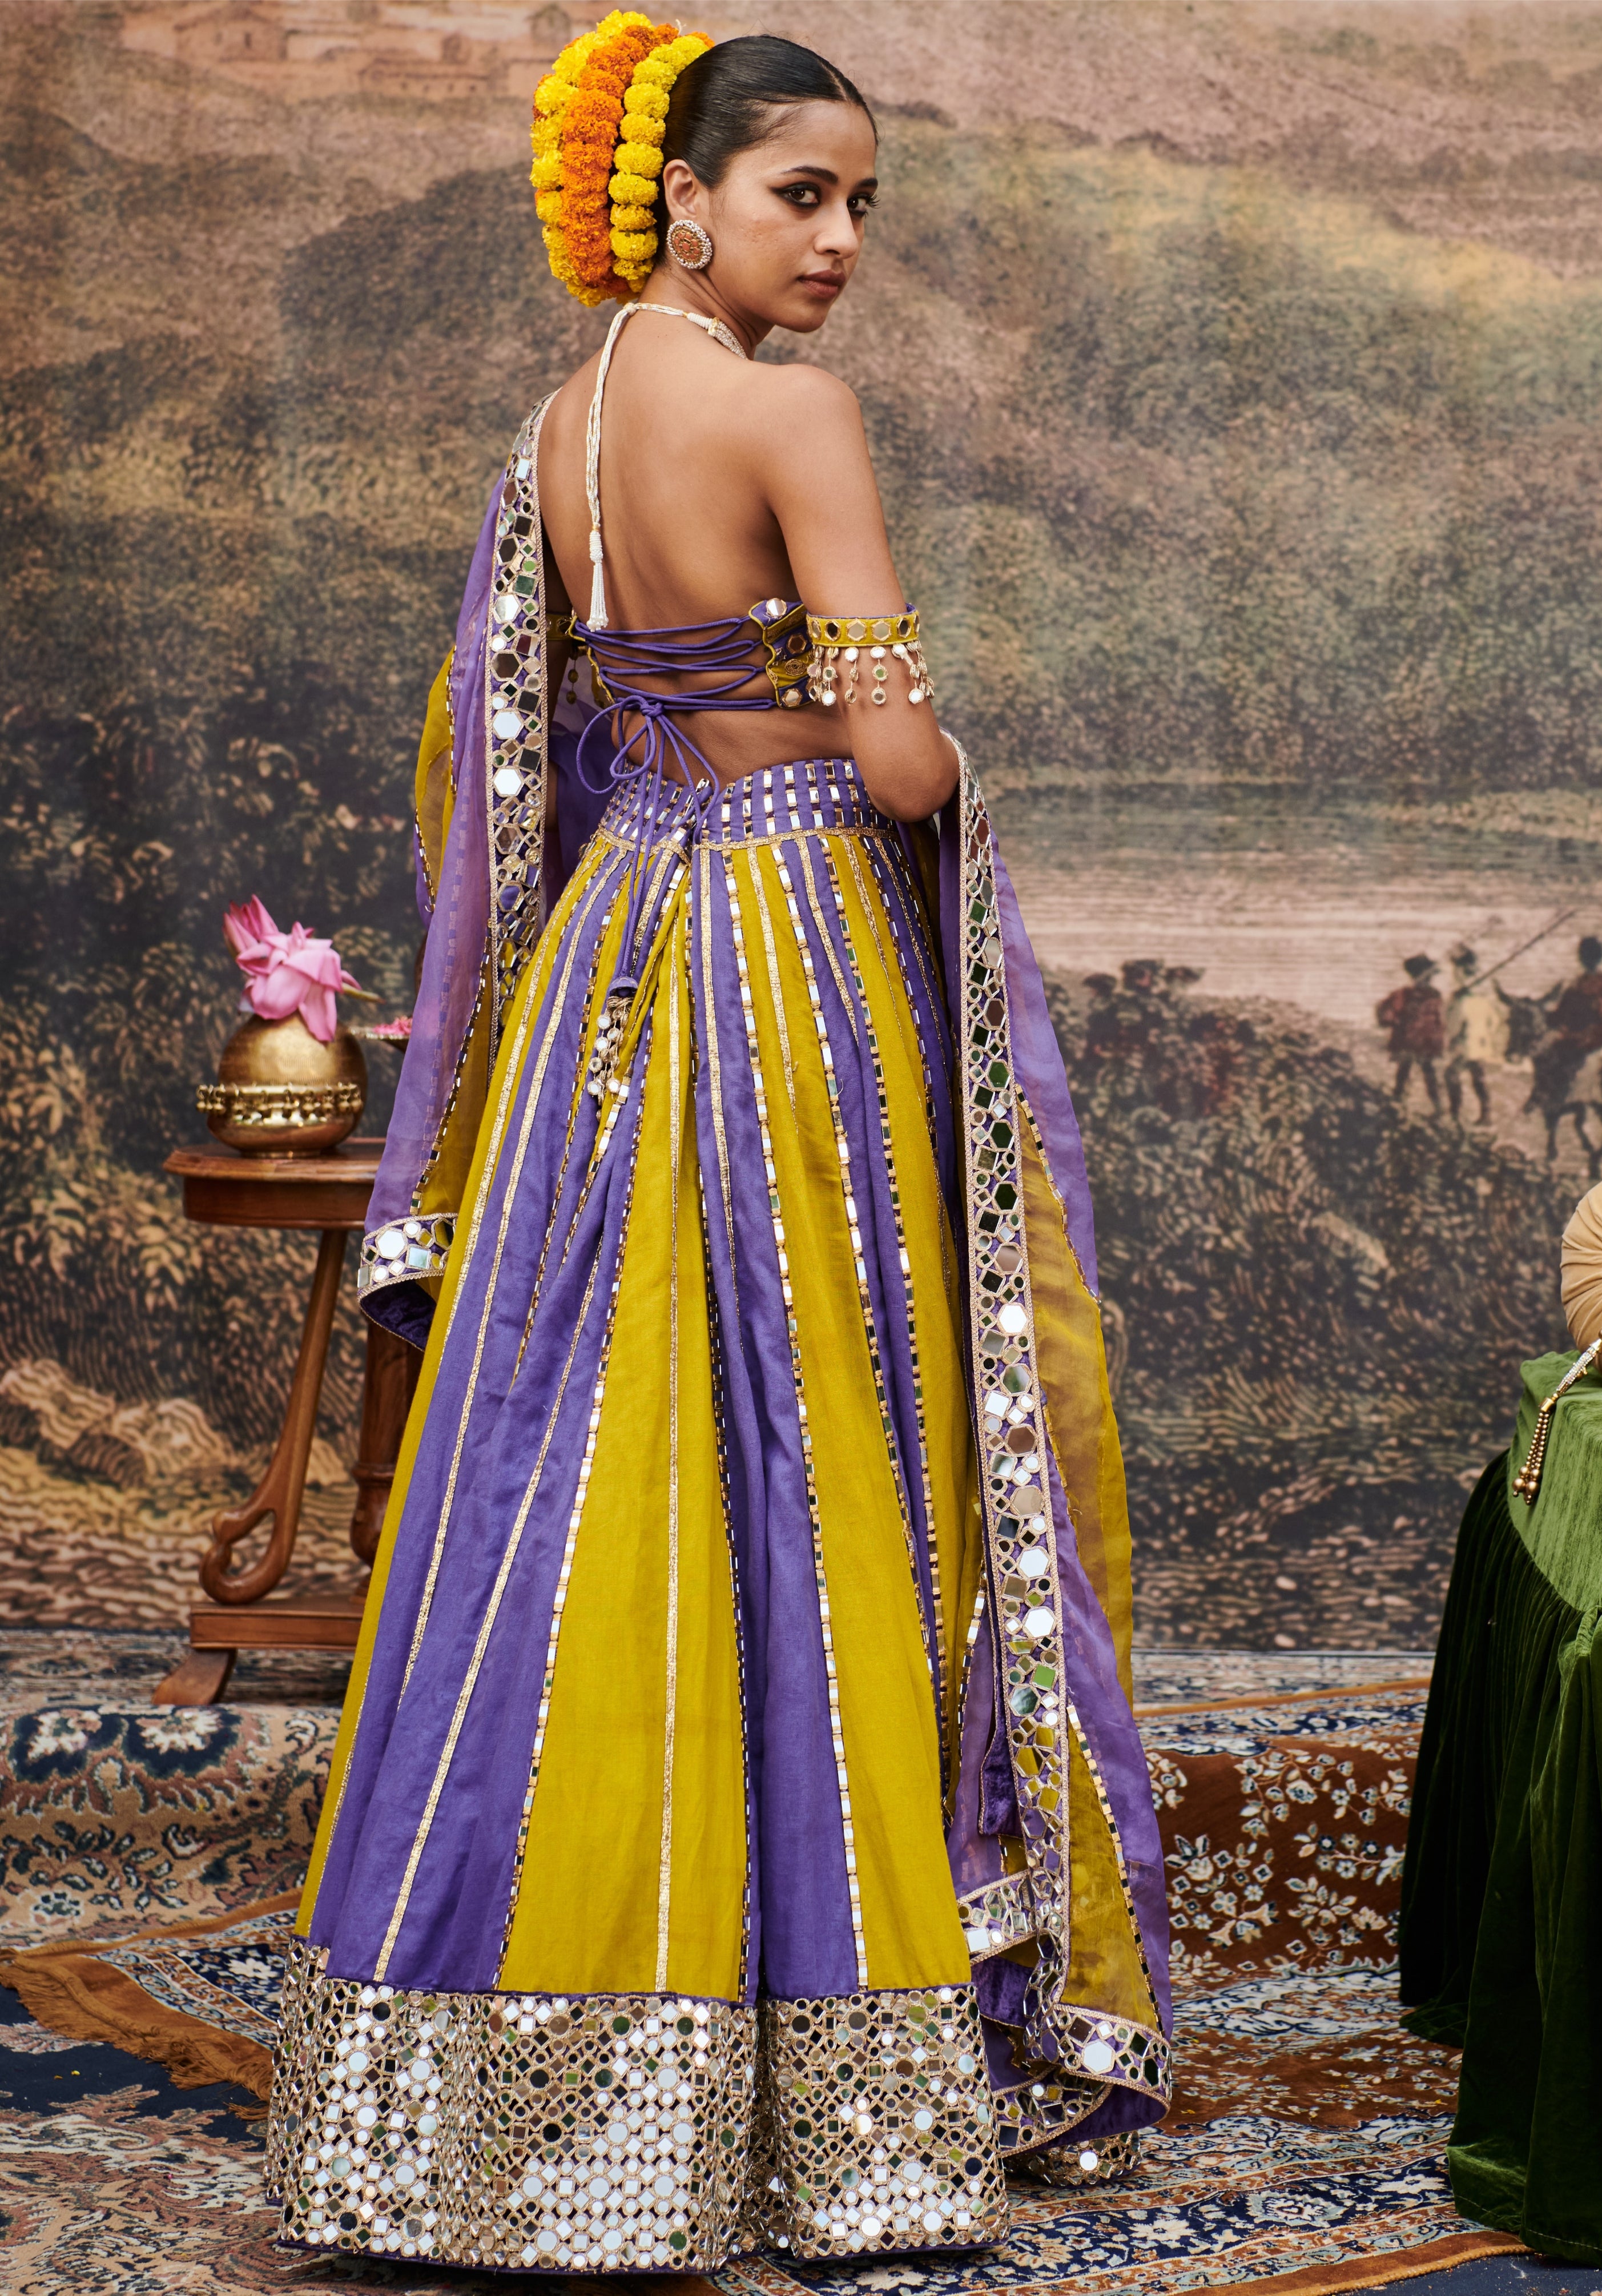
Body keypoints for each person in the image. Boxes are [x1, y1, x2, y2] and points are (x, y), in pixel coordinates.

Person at [267, 25, 1169, 2279]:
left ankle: (496, 2070)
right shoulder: (791, 417)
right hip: (781, 943)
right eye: (800, 194)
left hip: (617, 943)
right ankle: (826, 2073)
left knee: (594, 1441)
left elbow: (558, 728)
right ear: (680, 193)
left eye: (862, 205)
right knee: (824, 1435)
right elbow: (890, 757)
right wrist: (934, 753)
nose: (840, 242)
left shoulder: (559, 429)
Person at [1537, 934, 1602, 1113]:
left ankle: (1578, 1100)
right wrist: (1541, 1015)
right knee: (1549, 1054)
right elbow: (1561, 1014)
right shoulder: (1576, 984)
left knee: (1574, 1059)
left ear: (1597, 958)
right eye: (1584, 956)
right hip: (1575, 1037)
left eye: (1589, 956)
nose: (1586, 960)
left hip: (1596, 1037)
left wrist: (1593, 1033)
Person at [1444, 946, 1508, 1125]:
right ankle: (1486, 1114)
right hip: (1480, 1041)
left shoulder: (1463, 991)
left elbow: (1454, 1022)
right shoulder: (1481, 989)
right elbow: (1494, 1020)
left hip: (1466, 1042)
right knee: (1478, 1076)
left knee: (1451, 1075)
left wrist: (1453, 1036)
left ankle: (1455, 1113)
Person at [1376, 955, 1444, 1115]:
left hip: (1411, 1041)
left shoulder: (1404, 994)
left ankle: (1400, 1103)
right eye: (1430, 975)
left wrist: (1393, 1022)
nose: (1431, 979)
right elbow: (1439, 1021)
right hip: (1422, 1043)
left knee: (1407, 1072)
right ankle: (1436, 1107)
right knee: (1424, 1074)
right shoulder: (1431, 995)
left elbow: (1385, 1015)